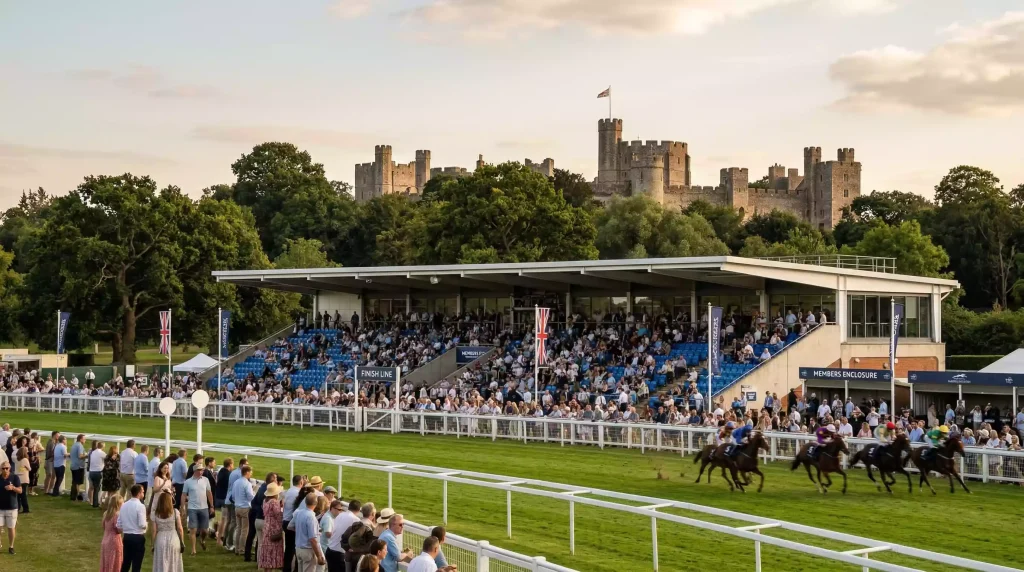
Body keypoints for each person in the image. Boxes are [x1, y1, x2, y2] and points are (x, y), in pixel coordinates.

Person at [181, 463, 215, 554]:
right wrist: (182, 507)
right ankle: (193, 550)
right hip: (192, 508)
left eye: (202, 470)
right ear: (195, 471)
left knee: (205, 530)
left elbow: (209, 493)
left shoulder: (206, 480)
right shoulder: (188, 482)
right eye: (199, 470)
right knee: (193, 529)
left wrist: (211, 506)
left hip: (204, 507)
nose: (201, 472)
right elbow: (184, 495)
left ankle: (202, 540)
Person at [151, 492, 185, 572]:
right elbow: (180, 528)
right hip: (173, 539)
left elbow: (154, 530)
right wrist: (182, 542)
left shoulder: (155, 514)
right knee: (174, 562)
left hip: (160, 539)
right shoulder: (175, 512)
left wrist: (152, 545)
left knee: (161, 562)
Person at [117, 484, 148, 572]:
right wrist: (146, 524)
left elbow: (119, 524)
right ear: (138, 493)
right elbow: (142, 524)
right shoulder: (141, 506)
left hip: (127, 537)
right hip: (138, 537)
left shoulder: (124, 505)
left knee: (126, 563)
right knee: (136, 565)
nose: (143, 494)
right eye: (142, 492)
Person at [295, 493, 327, 572]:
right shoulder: (311, 517)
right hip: (307, 551)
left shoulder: (299, 513)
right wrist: (319, 556)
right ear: (316, 503)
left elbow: (292, 527)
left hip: (298, 548)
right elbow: (312, 539)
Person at [259, 482, 285, 571]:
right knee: (272, 551)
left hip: (267, 527)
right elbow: (278, 515)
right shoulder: (274, 502)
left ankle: (266, 569)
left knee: (267, 550)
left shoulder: (265, 501)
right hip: (274, 529)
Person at [231, 465, 255, 554]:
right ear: (247, 472)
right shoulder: (247, 484)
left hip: (237, 507)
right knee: (245, 530)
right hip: (245, 508)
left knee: (238, 528)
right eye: (251, 472)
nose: (251, 473)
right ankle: (242, 549)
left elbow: (233, 496)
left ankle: (236, 548)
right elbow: (250, 496)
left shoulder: (236, 482)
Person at [0, 461, 22, 554]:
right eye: (3, 468)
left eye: (7, 468)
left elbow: (20, 490)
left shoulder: (15, 477)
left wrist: (13, 488)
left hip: (12, 507)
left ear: (10, 468)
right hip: (0, 508)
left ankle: (11, 546)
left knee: (11, 528)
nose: (5, 470)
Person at [99, 495, 124, 572]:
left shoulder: (106, 513)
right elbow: (119, 530)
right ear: (118, 504)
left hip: (105, 539)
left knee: (106, 561)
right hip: (114, 541)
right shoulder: (117, 515)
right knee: (115, 562)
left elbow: (103, 526)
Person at [69, 433, 87, 502]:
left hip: (73, 465)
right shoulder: (79, 446)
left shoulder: (74, 445)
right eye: (84, 439)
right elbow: (80, 456)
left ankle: (74, 496)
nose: (85, 440)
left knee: (75, 482)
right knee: (76, 482)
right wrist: (87, 456)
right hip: (78, 466)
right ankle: (75, 497)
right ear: (80, 439)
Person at [89, 440, 107, 507]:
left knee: (94, 488)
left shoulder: (93, 452)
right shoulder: (102, 453)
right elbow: (108, 458)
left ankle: (94, 502)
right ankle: (96, 503)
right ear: (103, 446)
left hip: (91, 472)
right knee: (97, 489)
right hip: (97, 472)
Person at [14, 447, 30, 513]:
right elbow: (29, 468)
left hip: (18, 478)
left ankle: (17, 507)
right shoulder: (25, 460)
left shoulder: (17, 460)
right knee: (23, 495)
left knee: (18, 495)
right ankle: (26, 509)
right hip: (24, 478)